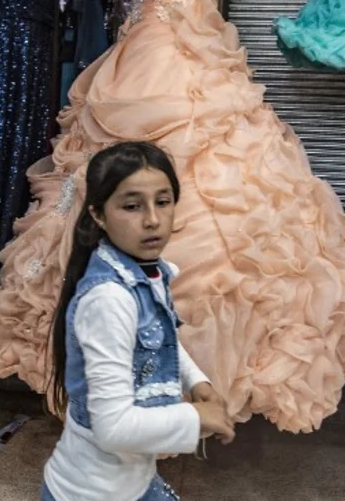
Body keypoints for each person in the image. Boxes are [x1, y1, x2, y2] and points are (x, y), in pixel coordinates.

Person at [41, 141, 235, 501]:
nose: (152, 219)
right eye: (132, 206)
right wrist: (197, 418)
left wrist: (195, 379)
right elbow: (112, 428)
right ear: (98, 214)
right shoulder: (109, 299)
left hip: (132, 482)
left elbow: (159, 336)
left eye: (163, 202)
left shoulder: (144, 273)